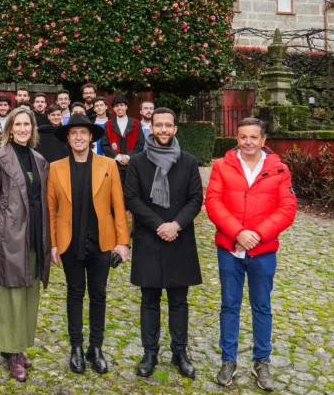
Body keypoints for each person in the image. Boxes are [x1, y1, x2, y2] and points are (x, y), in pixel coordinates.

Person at [205, 118, 297, 392]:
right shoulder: (222, 166)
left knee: (262, 307)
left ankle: (262, 361)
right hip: (230, 249)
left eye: (253, 137)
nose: (248, 142)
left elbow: (287, 208)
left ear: (263, 140)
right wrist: (237, 233)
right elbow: (213, 202)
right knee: (229, 306)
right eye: (243, 137)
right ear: (237, 138)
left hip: (263, 250)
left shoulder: (279, 168)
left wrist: (256, 234)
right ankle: (228, 360)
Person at [123, 107, 203, 380]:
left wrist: (176, 224)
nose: (164, 130)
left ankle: (180, 352)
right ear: (152, 129)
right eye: (159, 125)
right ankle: (150, 353)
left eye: (169, 125)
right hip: (149, 237)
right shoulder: (138, 162)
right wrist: (159, 225)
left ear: (175, 129)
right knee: (149, 300)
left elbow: (195, 200)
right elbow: (132, 198)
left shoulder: (189, 162)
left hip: (179, 237)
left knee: (179, 301)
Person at [47, 114, 130, 375]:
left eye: (83, 132)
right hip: (69, 242)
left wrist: (123, 242)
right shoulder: (55, 168)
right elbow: (51, 209)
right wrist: (52, 243)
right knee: (74, 294)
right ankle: (76, 347)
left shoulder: (108, 165)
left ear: (91, 136)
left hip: (101, 241)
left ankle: (96, 347)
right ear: (68, 139)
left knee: (98, 294)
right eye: (74, 133)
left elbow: (119, 206)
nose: (79, 137)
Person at [0, 107, 51, 382]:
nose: (23, 129)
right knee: (11, 295)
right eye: (18, 124)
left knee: (30, 294)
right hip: (9, 237)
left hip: (35, 234)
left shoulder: (39, 159)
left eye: (27, 124)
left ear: (33, 129)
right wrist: (0, 234)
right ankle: (10, 351)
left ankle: (19, 345)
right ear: (9, 128)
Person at [102, 96, 143, 184]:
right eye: (116, 106)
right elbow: (104, 145)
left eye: (121, 105)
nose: (119, 108)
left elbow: (140, 144)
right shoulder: (108, 125)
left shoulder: (136, 123)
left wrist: (128, 157)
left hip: (131, 164)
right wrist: (118, 157)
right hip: (115, 164)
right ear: (113, 108)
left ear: (126, 107)